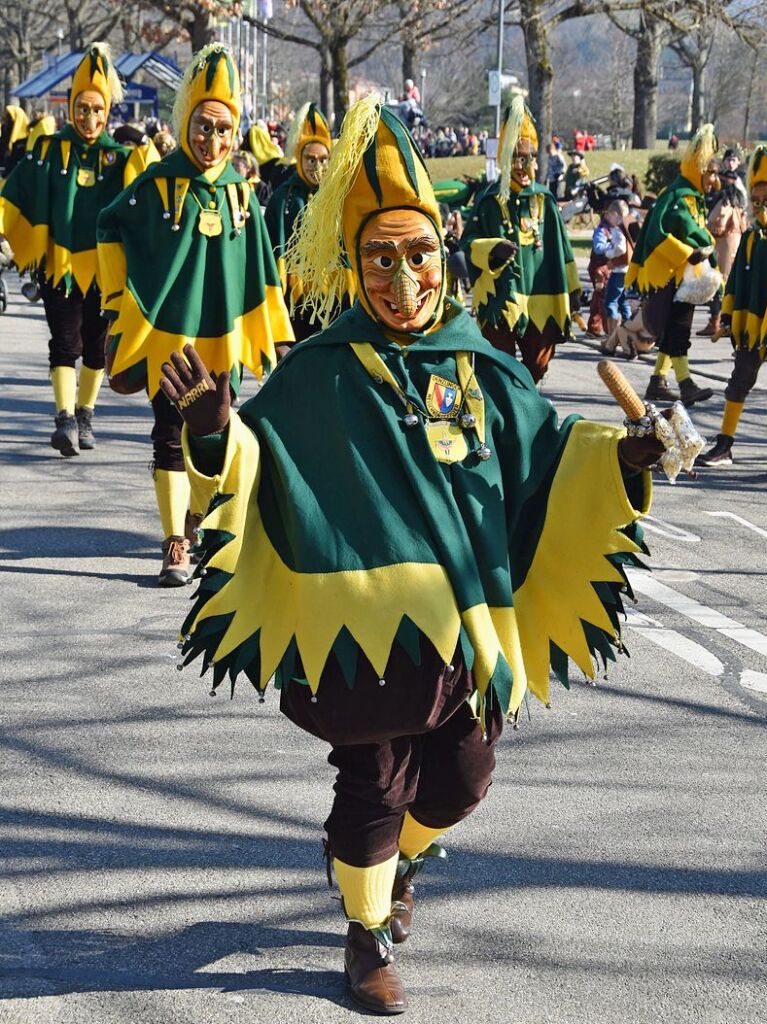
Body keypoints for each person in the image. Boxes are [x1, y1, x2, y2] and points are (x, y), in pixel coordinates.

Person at [160, 96, 662, 1014]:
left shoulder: (483, 365)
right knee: (374, 785)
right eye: (380, 260)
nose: (401, 280)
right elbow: (254, 468)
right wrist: (214, 432)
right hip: (368, 634)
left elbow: (553, 454)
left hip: (472, 622)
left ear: (443, 255)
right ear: (355, 267)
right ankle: (366, 933)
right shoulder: (319, 371)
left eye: (418, 256)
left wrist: (624, 456)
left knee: (464, 778)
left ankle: (400, 866)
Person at [96, 43, 293, 586]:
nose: (213, 141)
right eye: (204, 128)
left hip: (222, 340)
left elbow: (261, 267)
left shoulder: (240, 192)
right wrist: (121, 305)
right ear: (187, 123)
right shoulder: (158, 182)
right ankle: (174, 541)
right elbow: (108, 226)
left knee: (217, 430)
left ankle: (204, 522)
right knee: (167, 432)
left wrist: (273, 332)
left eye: (224, 131)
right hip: (168, 338)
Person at [0, 42, 156, 457]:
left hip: (106, 271)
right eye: (82, 109)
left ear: (108, 112)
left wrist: (143, 146)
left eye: (97, 110)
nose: (89, 118)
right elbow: (16, 194)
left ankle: (86, 413)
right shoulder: (49, 150)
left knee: (95, 346)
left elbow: (153, 192)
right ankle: (65, 417)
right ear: (72, 107)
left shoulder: (121, 158)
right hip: (60, 266)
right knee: (64, 343)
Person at [461, 97, 581, 383]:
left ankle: (527, 405)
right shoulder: (489, 200)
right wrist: (492, 250)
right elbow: (467, 245)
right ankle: (508, 415)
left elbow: (562, 249)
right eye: (514, 157)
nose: (520, 165)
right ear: (504, 159)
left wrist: (574, 291)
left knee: (537, 367)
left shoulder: (546, 201)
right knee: (498, 366)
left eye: (526, 158)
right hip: (501, 298)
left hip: (543, 298)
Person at [625, 125, 720, 407]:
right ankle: (686, 383)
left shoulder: (691, 194)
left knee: (675, 328)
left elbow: (695, 232)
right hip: (668, 275)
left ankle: (657, 382)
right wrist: (688, 253)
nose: (714, 179)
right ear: (698, 169)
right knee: (678, 329)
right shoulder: (678, 195)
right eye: (711, 172)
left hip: (684, 276)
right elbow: (657, 233)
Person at [698, 146, 767, 467]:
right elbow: (737, 281)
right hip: (752, 328)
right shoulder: (752, 238)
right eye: (757, 201)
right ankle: (724, 444)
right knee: (739, 380)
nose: (761, 207)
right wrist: (726, 315)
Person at [264, 103, 346, 342]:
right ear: (299, 159)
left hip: (335, 298)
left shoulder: (340, 197)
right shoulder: (283, 197)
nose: (318, 167)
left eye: (323, 160)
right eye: (310, 160)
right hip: (295, 303)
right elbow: (271, 249)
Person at [696, 161, 747, 337]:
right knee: (729, 282)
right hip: (736, 241)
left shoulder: (725, 200)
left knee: (718, 282)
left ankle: (717, 322)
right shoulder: (739, 200)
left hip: (723, 243)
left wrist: (704, 229)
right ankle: (725, 321)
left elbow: (717, 223)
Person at [594, 199, 633, 351]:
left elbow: (621, 249)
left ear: (615, 214)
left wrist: (609, 252)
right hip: (627, 270)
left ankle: (612, 338)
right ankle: (629, 335)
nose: (608, 219)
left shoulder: (618, 229)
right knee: (623, 303)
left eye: (609, 215)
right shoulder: (629, 228)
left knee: (610, 303)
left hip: (618, 272)